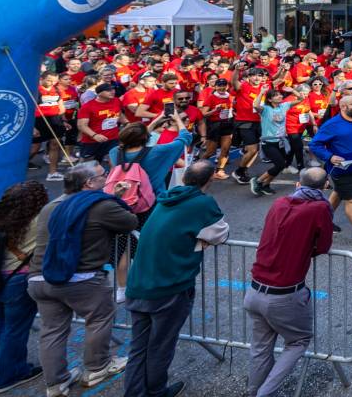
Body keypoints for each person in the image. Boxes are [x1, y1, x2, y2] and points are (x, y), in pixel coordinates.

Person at [28, 161, 138, 397]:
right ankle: (98, 368)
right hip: (80, 277)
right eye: (102, 175)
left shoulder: (51, 206)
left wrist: (110, 197)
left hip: (39, 277)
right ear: (89, 183)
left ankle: (55, 383)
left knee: (52, 330)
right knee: (99, 319)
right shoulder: (99, 206)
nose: (107, 178)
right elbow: (130, 222)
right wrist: (114, 199)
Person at [123, 160, 229, 397]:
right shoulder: (202, 203)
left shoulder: (166, 198)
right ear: (210, 179)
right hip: (168, 287)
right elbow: (221, 234)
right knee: (160, 345)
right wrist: (198, 241)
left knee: (139, 347)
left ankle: (134, 392)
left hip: (139, 283)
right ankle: (156, 391)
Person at [244, 167, 334, 397]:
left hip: (254, 289)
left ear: (298, 184)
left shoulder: (279, 203)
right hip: (284, 293)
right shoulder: (320, 208)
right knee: (298, 341)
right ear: (325, 186)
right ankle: (264, 393)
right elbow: (323, 246)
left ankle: (254, 391)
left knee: (260, 347)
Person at [0, 181, 48, 393]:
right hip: (19, 278)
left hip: (1, 275)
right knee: (15, 330)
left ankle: (3, 370)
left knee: (1, 327)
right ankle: (10, 374)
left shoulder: (2, 218)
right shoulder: (40, 219)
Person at [308, 95, 352, 244]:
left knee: (339, 193)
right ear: (343, 107)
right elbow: (314, 144)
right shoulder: (332, 124)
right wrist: (329, 156)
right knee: (351, 199)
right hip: (341, 170)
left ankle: (321, 221)